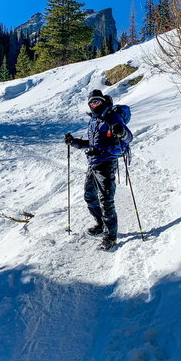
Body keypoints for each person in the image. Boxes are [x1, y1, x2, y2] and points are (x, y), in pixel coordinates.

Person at [64, 89, 133, 251]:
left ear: (103, 101)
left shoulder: (111, 117)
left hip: (106, 164)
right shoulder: (95, 120)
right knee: (89, 196)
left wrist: (121, 132)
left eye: (97, 101)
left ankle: (110, 237)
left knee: (106, 201)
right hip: (93, 163)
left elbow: (128, 137)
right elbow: (93, 143)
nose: (94, 104)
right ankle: (101, 224)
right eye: (91, 102)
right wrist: (74, 142)